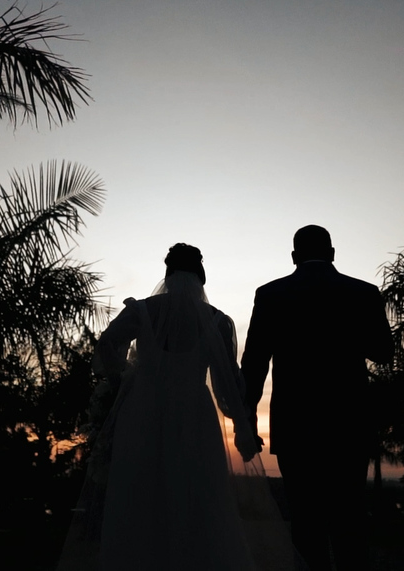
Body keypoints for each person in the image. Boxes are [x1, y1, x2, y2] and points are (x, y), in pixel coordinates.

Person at [58, 244, 294, 571]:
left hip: (142, 410)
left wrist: (127, 375)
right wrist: (242, 427)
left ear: (167, 273)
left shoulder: (141, 311)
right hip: (194, 414)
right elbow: (226, 384)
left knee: (138, 494)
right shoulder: (217, 322)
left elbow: (107, 346)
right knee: (199, 496)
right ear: (201, 276)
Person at [241, 225, 394, 571]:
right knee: (349, 520)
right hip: (349, 425)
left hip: (295, 426)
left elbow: (254, 364)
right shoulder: (363, 293)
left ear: (294, 257)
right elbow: (384, 352)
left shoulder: (271, 294)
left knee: (306, 522)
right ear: (333, 253)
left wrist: (247, 418)